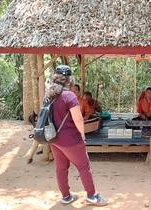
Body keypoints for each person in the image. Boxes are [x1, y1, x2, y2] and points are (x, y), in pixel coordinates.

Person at [46, 65, 108, 206]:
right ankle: (92, 196)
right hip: (71, 140)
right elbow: (78, 119)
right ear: (69, 79)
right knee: (84, 166)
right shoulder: (69, 96)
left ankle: (66, 197)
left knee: (61, 167)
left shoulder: (49, 93)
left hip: (54, 138)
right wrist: (83, 136)